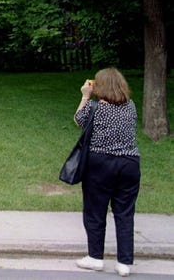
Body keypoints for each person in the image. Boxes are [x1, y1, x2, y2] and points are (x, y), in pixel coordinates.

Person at [74, 68, 140, 277]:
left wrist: (85, 95)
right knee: (124, 213)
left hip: (100, 163)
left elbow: (78, 120)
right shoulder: (131, 107)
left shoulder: (96, 108)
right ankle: (124, 263)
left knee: (95, 211)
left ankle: (95, 257)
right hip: (130, 163)